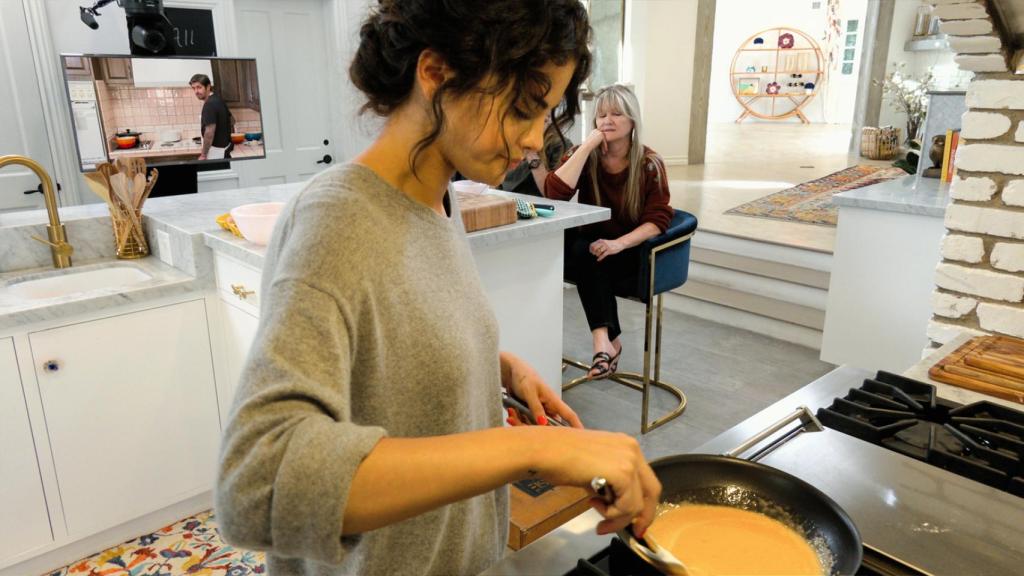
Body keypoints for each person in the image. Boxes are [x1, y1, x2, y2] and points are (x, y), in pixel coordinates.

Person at [214, 3, 660, 576]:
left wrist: (495, 366)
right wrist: (532, 450)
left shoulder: (437, 200)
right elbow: (257, 484)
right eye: (525, 108)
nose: (531, 140)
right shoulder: (337, 220)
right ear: (436, 73)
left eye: (545, 114)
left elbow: (389, 334)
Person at [544, 84, 673, 380]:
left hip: (629, 252)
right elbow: (555, 192)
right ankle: (604, 342)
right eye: (601, 115)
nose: (607, 121)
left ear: (632, 121)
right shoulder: (585, 155)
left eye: (616, 114)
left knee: (587, 252)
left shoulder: (649, 163)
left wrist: (618, 244)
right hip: (591, 251)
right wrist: (586, 146)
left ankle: (607, 343)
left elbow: (659, 217)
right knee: (581, 248)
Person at [500, 114, 572, 196]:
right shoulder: (514, 140)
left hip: (536, 205)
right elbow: (497, 182)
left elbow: (551, 194)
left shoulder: (561, 144)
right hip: (504, 198)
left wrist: (531, 152)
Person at [189, 73, 233, 160]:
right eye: (193, 88)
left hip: (216, 152)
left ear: (208, 87)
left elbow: (209, 133)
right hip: (225, 148)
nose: (196, 91)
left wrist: (203, 155)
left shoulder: (209, 104)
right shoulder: (218, 99)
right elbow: (232, 120)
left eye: (199, 87)